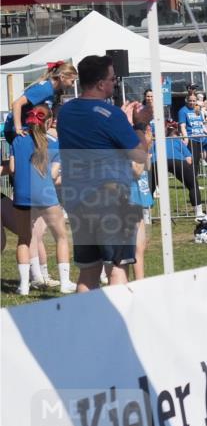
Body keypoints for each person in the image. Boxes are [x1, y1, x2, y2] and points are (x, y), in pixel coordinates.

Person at [57, 55, 150, 292]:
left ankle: (85, 326)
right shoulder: (111, 115)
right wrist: (139, 125)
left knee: (88, 271)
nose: (114, 83)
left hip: (77, 199)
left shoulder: (65, 112)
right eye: (112, 79)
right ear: (100, 84)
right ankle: (116, 327)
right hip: (111, 199)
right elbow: (139, 157)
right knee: (117, 269)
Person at [8, 105, 75, 295]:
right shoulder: (52, 144)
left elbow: (12, 169)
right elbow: (53, 175)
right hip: (45, 196)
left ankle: (24, 286)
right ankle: (64, 282)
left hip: (21, 195)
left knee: (24, 238)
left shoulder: (17, 142)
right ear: (47, 122)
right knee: (60, 236)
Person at [4, 61, 78, 145]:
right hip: (15, 129)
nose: (73, 85)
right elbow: (16, 104)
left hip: (31, 127)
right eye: (72, 81)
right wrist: (18, 128)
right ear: (62, 77)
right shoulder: (44, 89)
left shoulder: (55, 92)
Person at [129, 121, 154, 280]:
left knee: (140, 244)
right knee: (134, 245)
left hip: (139, 197)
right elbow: (136, 171)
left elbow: (148, 168)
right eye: (145, 132)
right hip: (129, 198)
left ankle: (140, 281)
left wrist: (148, 148)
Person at [177, 92, 207, 217]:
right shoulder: (183, 111)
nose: (192, 102)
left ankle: (194, 184)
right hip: (191, 139)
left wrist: (206, 132)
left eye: (194, 100)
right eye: (190, 100)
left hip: (201, 138)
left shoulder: (197, 110)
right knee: (193, 164)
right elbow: (183, 125)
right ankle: (193, 184)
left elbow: (201, 123)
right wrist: (185, 138)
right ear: (186, 100)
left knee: (199, 162)